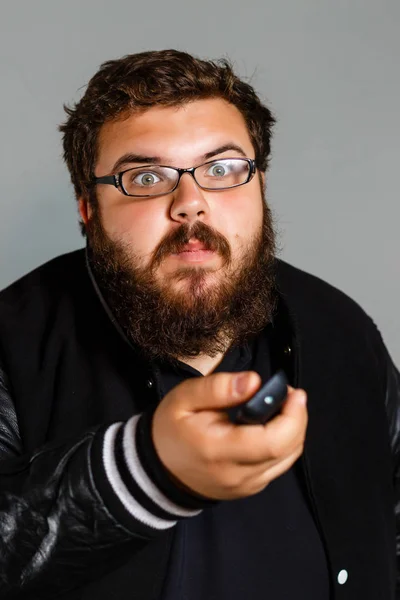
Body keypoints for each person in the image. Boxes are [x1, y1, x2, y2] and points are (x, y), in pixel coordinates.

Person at [0, 49, 398, 600]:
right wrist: (149, 471)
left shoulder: (340, 326)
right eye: (144, 176)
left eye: (222, 169)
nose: (191, 204)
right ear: (87, 208)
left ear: (259, 184)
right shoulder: (10, 344)